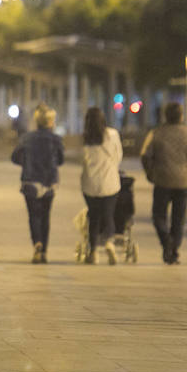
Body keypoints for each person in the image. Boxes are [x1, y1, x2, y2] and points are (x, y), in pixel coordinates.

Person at [140, 102, 187, 264]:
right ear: (181, 116)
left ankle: (166, 242)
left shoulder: (156, 133)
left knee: (158, 216)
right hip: (183, 182)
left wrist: (150, 173)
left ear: (165, 116)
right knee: (179, 219)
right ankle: (173, 250)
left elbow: (144, 155)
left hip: (162, 180)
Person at [11, 104, 65, 263]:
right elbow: (60, 160)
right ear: (50, 122)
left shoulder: (26, 138)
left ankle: (37, 244)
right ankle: (45, 252)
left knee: (33, 216)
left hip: (30, 182)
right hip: (49, 183)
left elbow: (14, 157)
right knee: (45, 216)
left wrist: (26, 162)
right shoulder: (56, 139)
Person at [80, 107, 122, 265]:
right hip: (110, 182)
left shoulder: (85, 139)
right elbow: (119, 156)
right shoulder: (112, 134)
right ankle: (109, 243)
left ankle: (93, 252)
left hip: (90, 184)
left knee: (94, 216)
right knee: (109, 214)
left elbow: (81, 161)